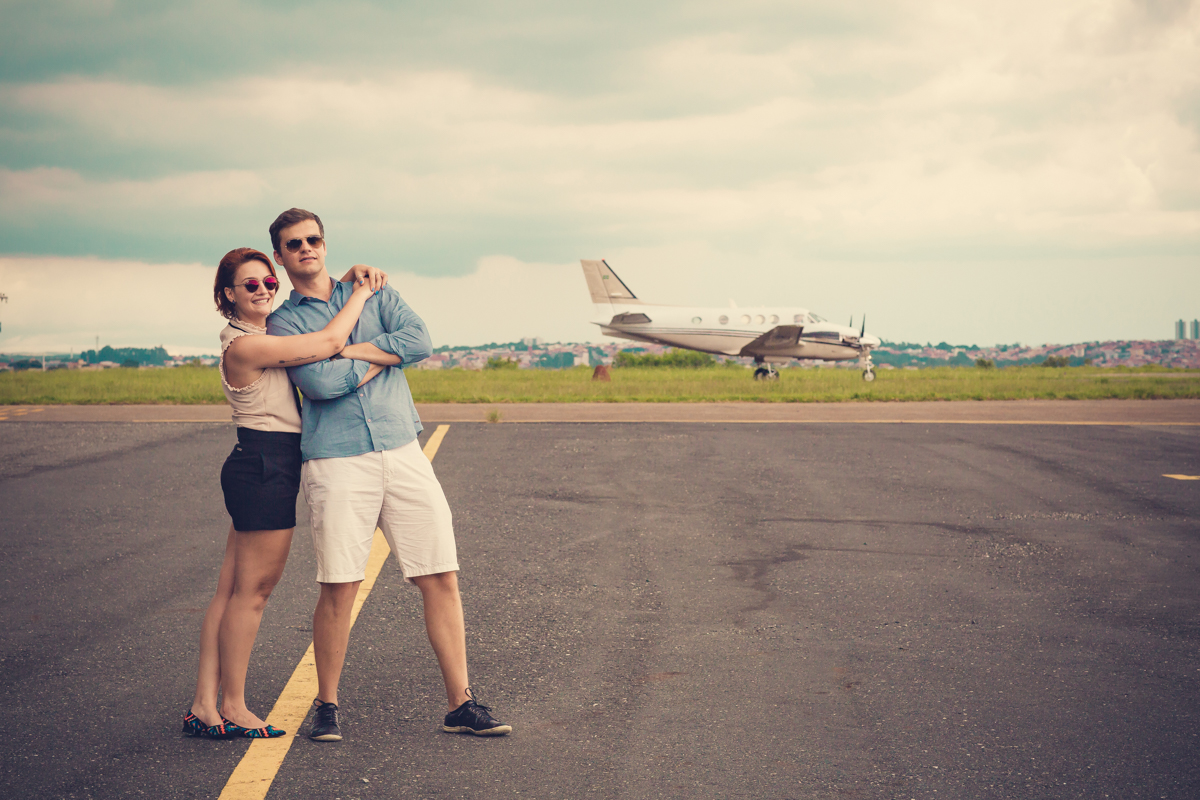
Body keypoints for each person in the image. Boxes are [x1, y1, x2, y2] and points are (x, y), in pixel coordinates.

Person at [265, 207, 510, 742]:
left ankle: (460, 704)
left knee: (439, 574)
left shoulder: (378, 290)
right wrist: (382, 358)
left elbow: (420, 342)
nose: (305, 248)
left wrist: (345, 350)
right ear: (281, 257)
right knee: (340, 585)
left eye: (313, 239)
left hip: (401, 448)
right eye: (293, 244)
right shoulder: (284, 322)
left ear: (324, 244)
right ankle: (326, 706)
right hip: (337, 457)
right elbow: (321, 385)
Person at [184, 247, 385, 739]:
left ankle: (204, 705)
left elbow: (323, 331)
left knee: (230, 592)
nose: (264, 290)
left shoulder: (255, 334)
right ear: (228, 294)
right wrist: (361, 292)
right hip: (265, 464)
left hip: (258, 463)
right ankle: (234, 705)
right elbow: (333, 339)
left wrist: (343, 280)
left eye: (269, 283)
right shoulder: (246, 346)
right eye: (251, 285)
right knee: (253, 594)